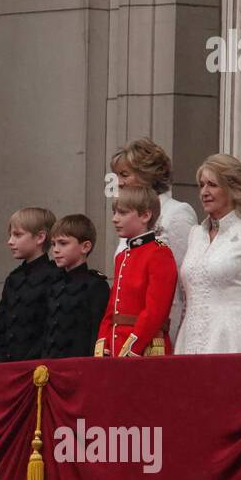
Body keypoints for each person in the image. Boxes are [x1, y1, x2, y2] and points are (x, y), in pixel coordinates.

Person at [176, 154, 241, 354]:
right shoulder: (195, 234)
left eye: (212, 185)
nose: (204, 192)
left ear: (232, 189)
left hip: (231, 344)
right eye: (201, 185)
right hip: (189, 343)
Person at [111, 138, 197, 338]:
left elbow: (184, 282)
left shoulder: (177, 212)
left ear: (147, 174)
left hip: (164, 327)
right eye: (117, 175)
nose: (120, 182)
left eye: (125, 175)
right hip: (128, 331)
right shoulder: (129, 217)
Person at [95, 186, 177, 357]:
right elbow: (112, 309)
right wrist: (104, 341)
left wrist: (132, 347)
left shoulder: (159, 253)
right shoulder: (122, 256)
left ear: (145, 216)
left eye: (122, 213)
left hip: (145, 347)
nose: (114, 219)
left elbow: (155, 311)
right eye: (114, 212)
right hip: (117, 345)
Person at [0, 207, 59, 363]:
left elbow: (51, 330)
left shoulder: (55, 276)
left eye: (17, 235)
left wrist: (27, 364)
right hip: (6, 368)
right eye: (10, 235)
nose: (10, 241)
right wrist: (0, 361)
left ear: (40, 238)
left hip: (36, 367)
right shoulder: (14, 278)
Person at [42, 214, 111, 359]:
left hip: (80, 367)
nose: (55, 250)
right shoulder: (54, 284)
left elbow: (96, 335)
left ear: (85, 246)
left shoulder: (95, 285)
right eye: (53, 244)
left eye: (63, 243)